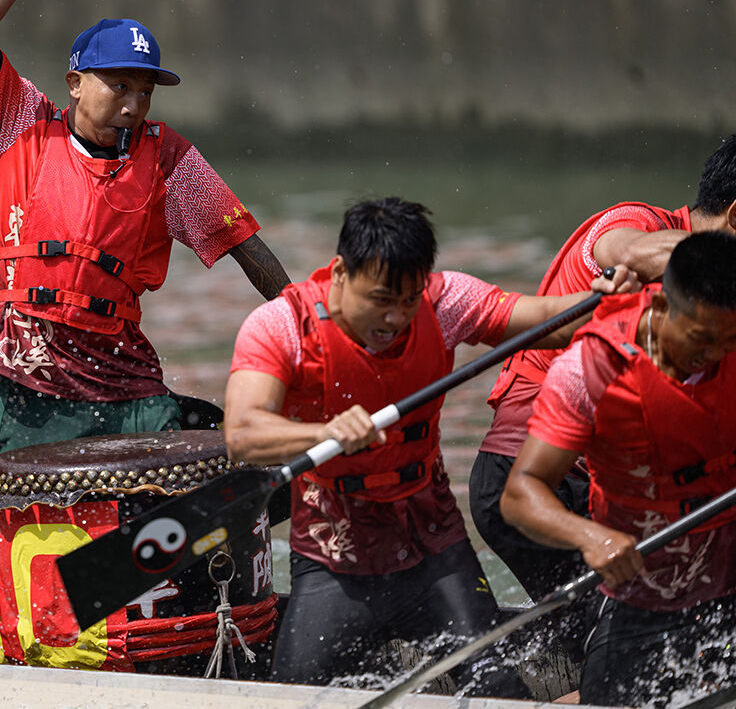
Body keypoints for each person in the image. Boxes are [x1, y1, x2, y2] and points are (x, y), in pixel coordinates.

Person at [223, 197, 633, 694]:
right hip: (335, 555)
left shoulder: (444, 301)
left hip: (433, 548)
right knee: (294, 697)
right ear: (340, 273)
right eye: (381, 299)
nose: (395, 317)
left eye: (408, 300)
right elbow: (243, 435)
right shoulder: (282, 325)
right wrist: (323, 434)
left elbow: (551, 320)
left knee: (498, 689)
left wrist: (608, 299)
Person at [0, 0, 290, 454]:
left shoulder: (168, 156)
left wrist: (305, 327)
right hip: (32, 376)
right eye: (119, 86)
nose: (133, 105)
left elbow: (247, 249)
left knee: (209, 466)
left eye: (145, 92)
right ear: (75, 83)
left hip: (125, 379)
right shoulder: (22, 124)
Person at [473, 135, 736, 599]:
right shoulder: (633, 222)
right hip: (536, 480)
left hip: (622, 483)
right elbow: (633, 253)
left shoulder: (719, 314)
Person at [502, 231, 736, 708]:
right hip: (643, 586)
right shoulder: (590, 367)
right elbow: (521, 492)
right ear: (662, 306)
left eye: (731, 340)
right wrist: (592, 537)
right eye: (702, 339)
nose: (716, 354)